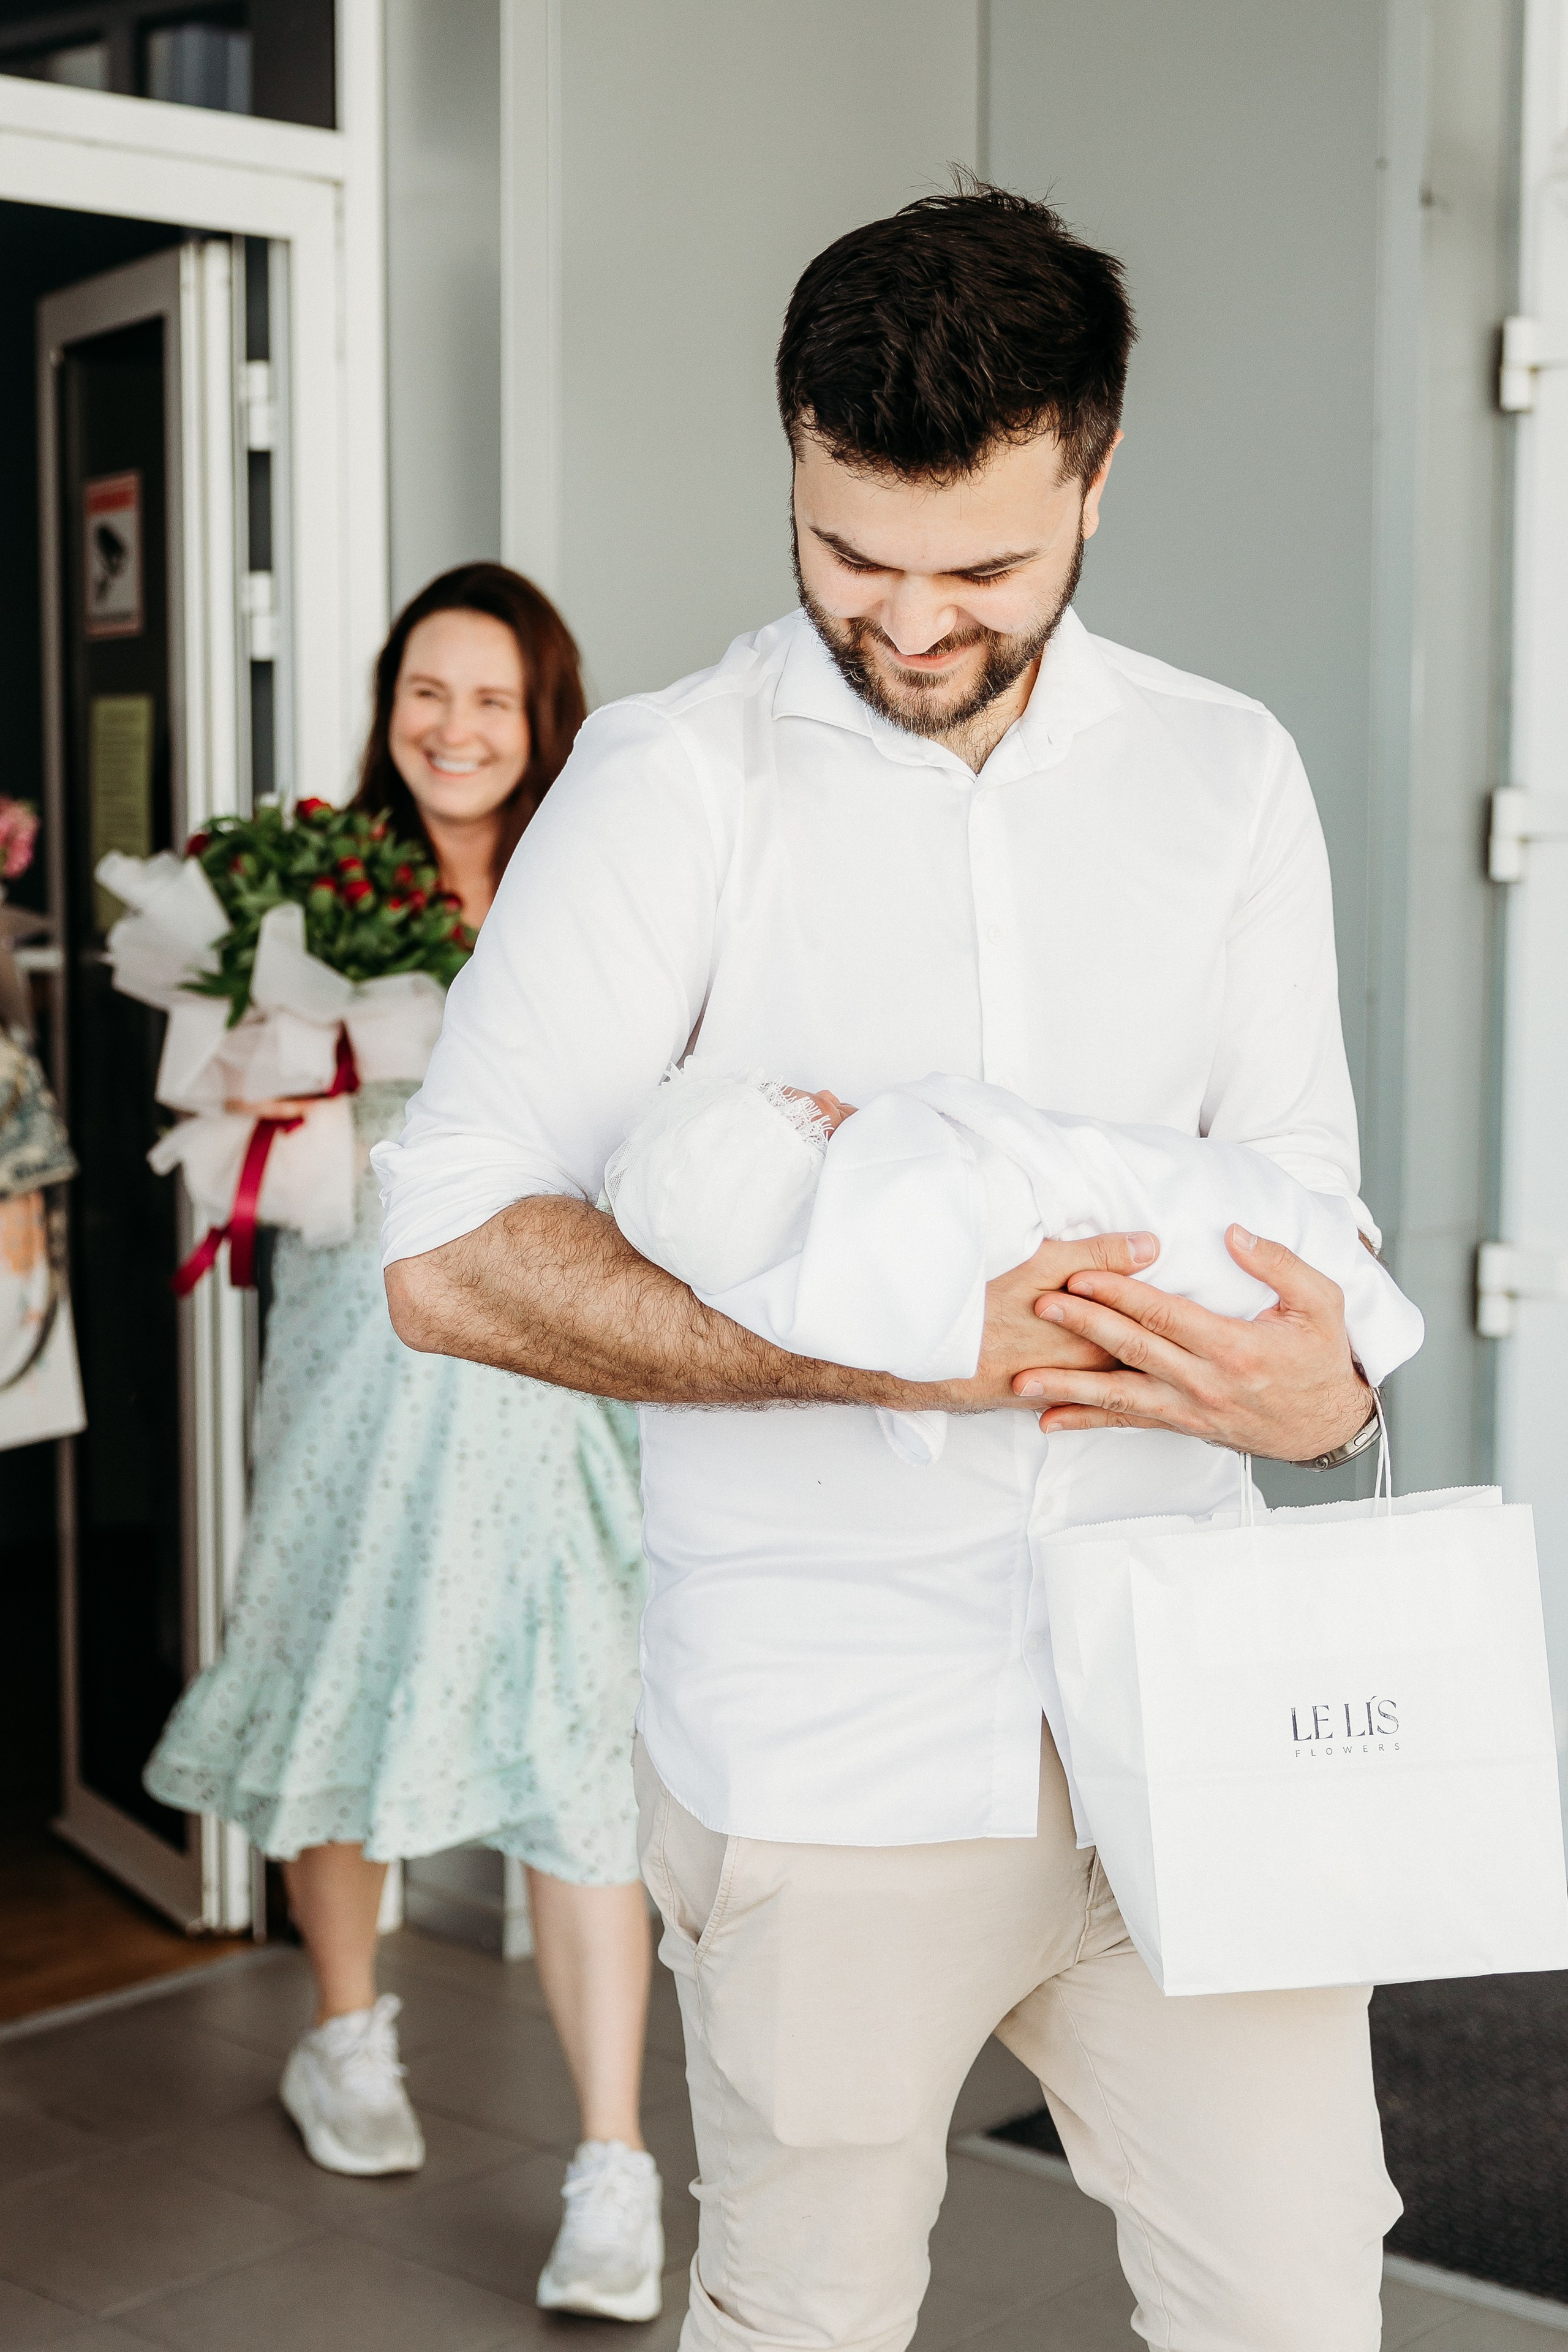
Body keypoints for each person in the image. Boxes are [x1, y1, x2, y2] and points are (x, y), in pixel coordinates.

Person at [375, 191, 1401, 2352]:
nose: (913, 620)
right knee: (806, 2319)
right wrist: (911, 1350)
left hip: (1186, 1722)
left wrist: (1332, 1395)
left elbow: (1310, 1201)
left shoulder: (1227, 777)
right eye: (852, 556)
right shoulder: (673, 784)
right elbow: (451, 1252)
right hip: (825, 1749)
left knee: (1303, 2301)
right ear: (793, 454)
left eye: (986, 570)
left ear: (1098, 478)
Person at [144, 564, 665, 2324]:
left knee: (580, 1733)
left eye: (492, 700)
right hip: (360, 1352)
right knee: (339, 1663)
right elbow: (223, 1114)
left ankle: (614, 2170)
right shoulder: (307, 890)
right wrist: (267, 1060)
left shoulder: (600, 901)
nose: (453, 729)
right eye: (424, 694)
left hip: (552, 1372)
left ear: (546, 720)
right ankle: (346, 2039)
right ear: (388, 710)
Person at [601, 1060, 1423, 1468]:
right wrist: (952, 1335)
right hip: (821, 1724)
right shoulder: (882, 1195)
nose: (822, 1100)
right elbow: (934, 1298)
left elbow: (1301, 1160)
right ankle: (1357, 1287)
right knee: (1226, 1230)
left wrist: (1335, 1413)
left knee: (1265, 1226)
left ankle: (1355, 1287)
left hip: (1164, 1559)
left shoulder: (1244, 772)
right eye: (796, 1120)